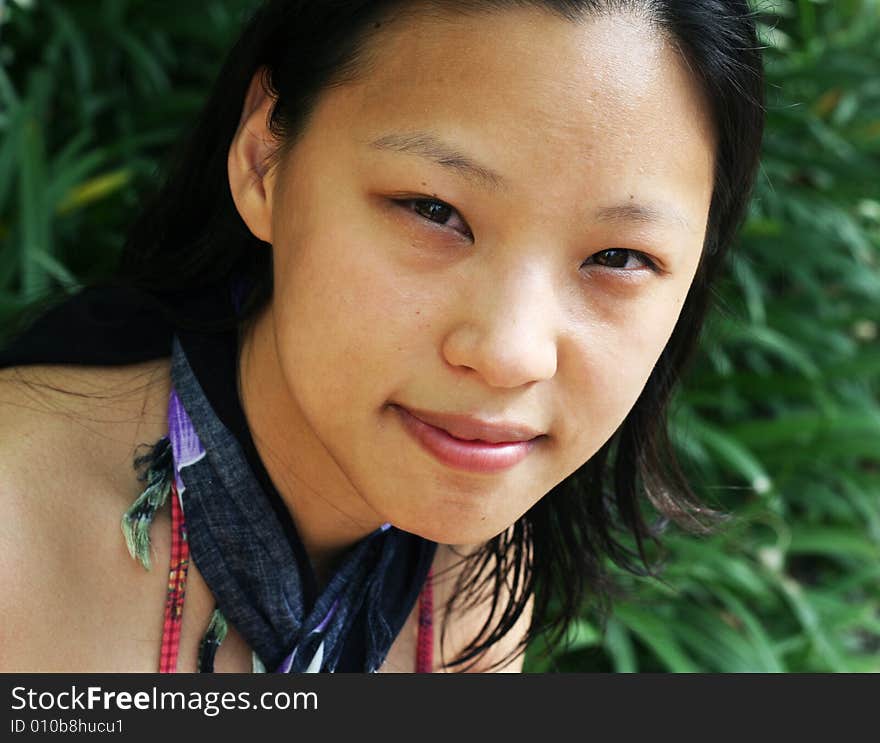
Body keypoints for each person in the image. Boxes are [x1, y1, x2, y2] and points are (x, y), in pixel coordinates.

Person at [0, 0, 765, 673]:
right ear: (266, 160)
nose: (509, 354)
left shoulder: (474, 583)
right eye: (432, 210)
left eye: (618, 258)